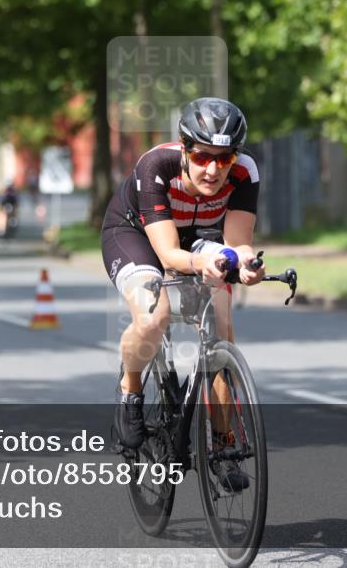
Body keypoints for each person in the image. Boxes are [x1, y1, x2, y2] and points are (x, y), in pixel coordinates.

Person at [100, 97, 263, 491]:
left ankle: (224, 446)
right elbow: (168, 254)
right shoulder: (156, 165)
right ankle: (131, 391)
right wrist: (201, 264)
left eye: (224, 159)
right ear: (184, 147)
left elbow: (237, 243)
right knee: (155, 315)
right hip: (136, 235)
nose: (213, 169)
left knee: (222, 332)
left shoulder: (245, 173)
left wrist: (247, 266)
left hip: (199, 237)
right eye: (203, 156)